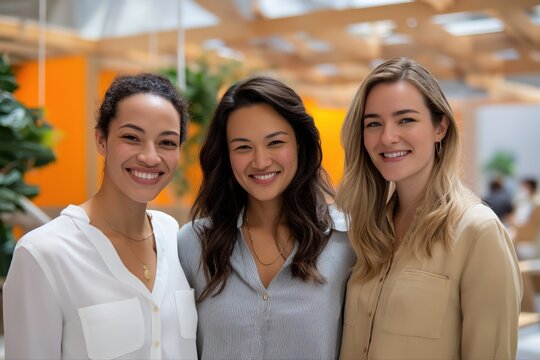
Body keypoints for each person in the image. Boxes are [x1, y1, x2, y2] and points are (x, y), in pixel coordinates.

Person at [336, 58, 522, 360]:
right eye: (373, 123)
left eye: (406, 120)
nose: (387, 137)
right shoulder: (367, 232)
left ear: (441, 127)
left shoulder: (478, 233)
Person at [3, 73, 198, 359]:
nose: (150, 157)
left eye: (167, 142)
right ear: (101, 140)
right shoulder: (44, 253)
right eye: (132, 137)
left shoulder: (175, 236)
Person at [178, 76, 354, 359]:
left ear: (299, 144)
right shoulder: (192, 244)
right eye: (243, 147)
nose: (260, 161)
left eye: (275, 142)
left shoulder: (346, 242)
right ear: (227, 155)